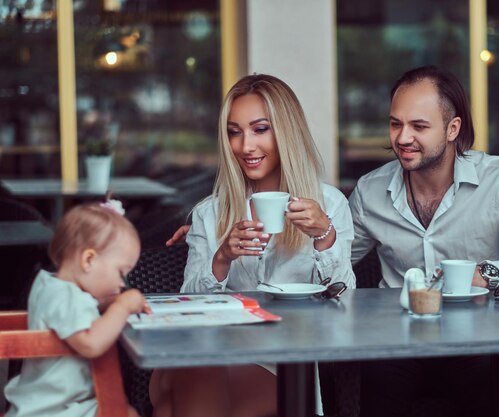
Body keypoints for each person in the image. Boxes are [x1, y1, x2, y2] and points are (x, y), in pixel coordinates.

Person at [350, 65, 499, 417]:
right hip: (399, 343)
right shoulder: (370, 191)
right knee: (371, 375)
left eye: (419, 126)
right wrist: (320, 235)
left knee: (490, 375)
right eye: (396, 123)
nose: (402, 137)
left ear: (453, 128)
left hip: (483, 341)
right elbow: (332, 263)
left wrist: (486, 274)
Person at [151, 73, 355, 417]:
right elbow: (190, 305)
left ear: (286, 132)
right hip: (212, 348)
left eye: (260, 129)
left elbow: (345, 301)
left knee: (174, 403)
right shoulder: (210, 212)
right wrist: (222, 258)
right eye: (235, 132)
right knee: (198, 369)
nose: (246, 146)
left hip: (284, 361)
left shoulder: (329, 206)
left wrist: (324, 236)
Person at [4, 201, 151, 417]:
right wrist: (121, 306)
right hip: (55, 409)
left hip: (48, 400)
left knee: (127, 411)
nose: (122, 283)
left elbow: (72, 314)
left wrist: (104, 305)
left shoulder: (51, 285)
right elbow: (91, 344)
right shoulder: (67, 298)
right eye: (121, 272)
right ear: (88, 260)